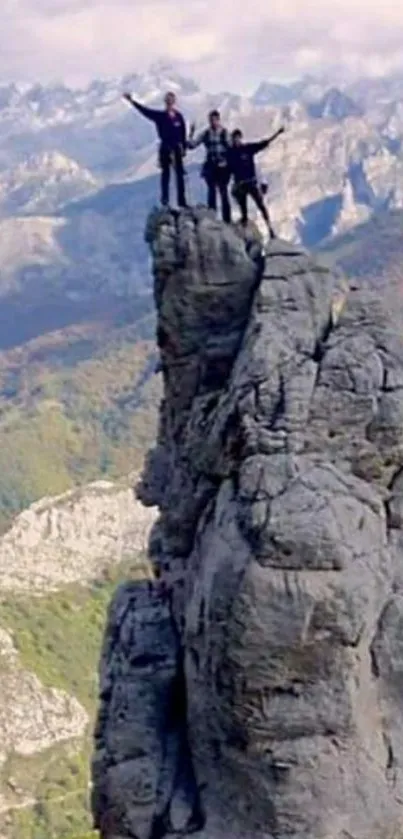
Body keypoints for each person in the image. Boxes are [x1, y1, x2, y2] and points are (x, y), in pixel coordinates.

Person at [123, 90, 187, 207]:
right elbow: (145, 111)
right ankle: (165, 200)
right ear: (165, 102)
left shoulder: (179, 117)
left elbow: (183, 133)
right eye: (168, 101)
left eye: (171, 101)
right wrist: (132, 101)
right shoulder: (160, 116)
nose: (169, 103)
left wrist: (184, 147)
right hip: (165, 148)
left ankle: (182, 202)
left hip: (177, 148)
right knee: (165, 174)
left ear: (174, 102)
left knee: (179, 175)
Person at [228, 126, 285, 237]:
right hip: (240, 185)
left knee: (261, 206)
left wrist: (277, 134)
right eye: (235, 138)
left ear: (241, 138)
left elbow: (263, 144)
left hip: (251, 183)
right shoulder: (230, 153)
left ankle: (270, 229)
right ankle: (244, 229)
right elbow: (226, 168)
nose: (237, 140)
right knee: (243, 209)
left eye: (238, 138)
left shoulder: (248, 148)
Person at [187, 110, 231, 223]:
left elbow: (231, 148)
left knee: (223, 192)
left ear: (218, 120)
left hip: (222, 166)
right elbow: (192, 145)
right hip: (211, 166)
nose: (213, 122)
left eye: (214, 120)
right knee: (211, 192)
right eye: (211, 120)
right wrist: (190, 134)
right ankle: (213, 217)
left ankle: (227, 219)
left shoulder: (224, 133)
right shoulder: (206, 133)